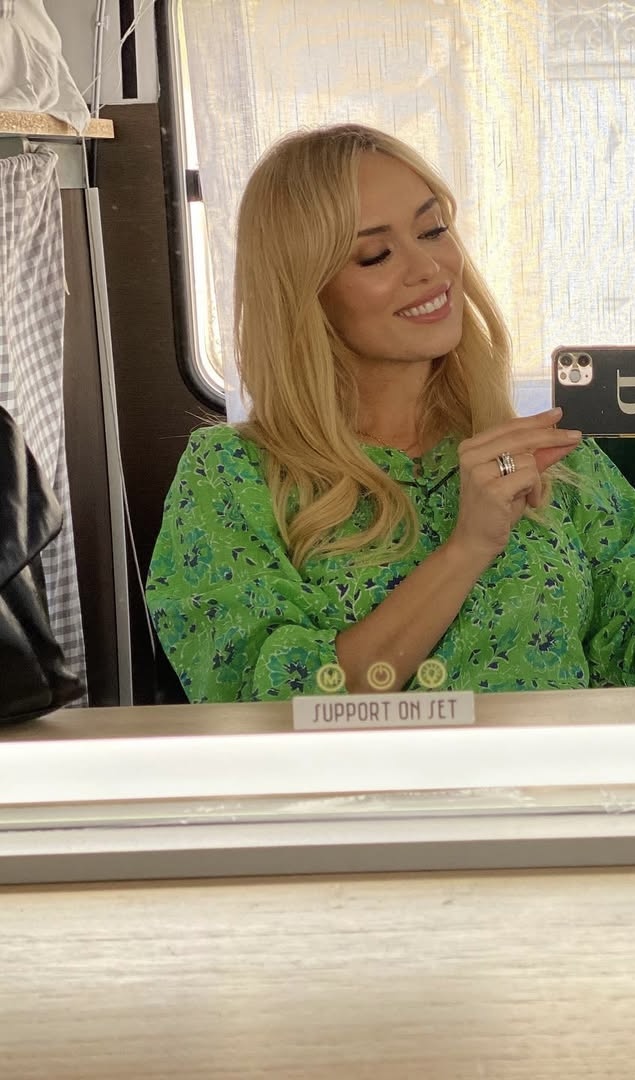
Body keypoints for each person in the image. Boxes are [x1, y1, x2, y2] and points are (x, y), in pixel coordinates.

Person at [146, 124, 635, 702]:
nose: (429, 268)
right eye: (375, 255)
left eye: (433, 230)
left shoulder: (556, 461)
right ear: (306, 295)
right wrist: (466, 549)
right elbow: (274, 713)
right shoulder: (231, 475)